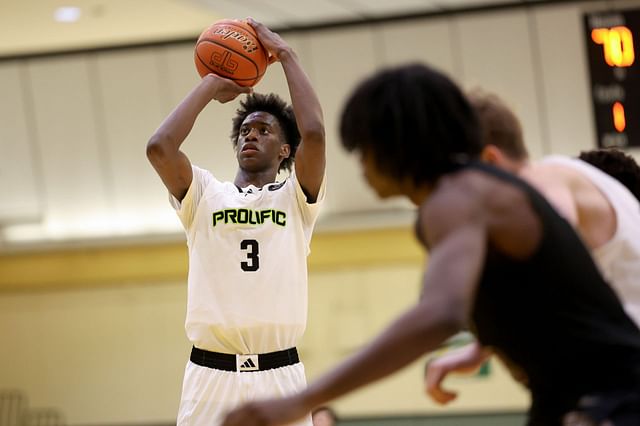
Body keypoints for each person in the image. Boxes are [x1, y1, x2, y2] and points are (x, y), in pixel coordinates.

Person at [221, 63, 640, 426]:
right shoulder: (469, 194)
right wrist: (484, 344)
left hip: (614, 395)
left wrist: (300, 399)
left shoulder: (457, 198)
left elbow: (439, 314)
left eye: (363, 148)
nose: (361, 165)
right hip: (570, 394)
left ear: (396, 143)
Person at [146, 18, 326, 426]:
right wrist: (211, 83)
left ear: (284, 150)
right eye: (245, 130)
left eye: (263, 130)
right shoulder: (205, 193)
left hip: (281, 376)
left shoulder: (296, 198)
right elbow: (160, 147)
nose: (250, 135)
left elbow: (313, 133)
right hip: (210, 376)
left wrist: (287, 56)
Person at [424, 92, 640, 407]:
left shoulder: (546, 179)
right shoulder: (569, 179)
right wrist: (482, 346)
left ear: (489, 160)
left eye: (454, 184)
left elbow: (546, 258)